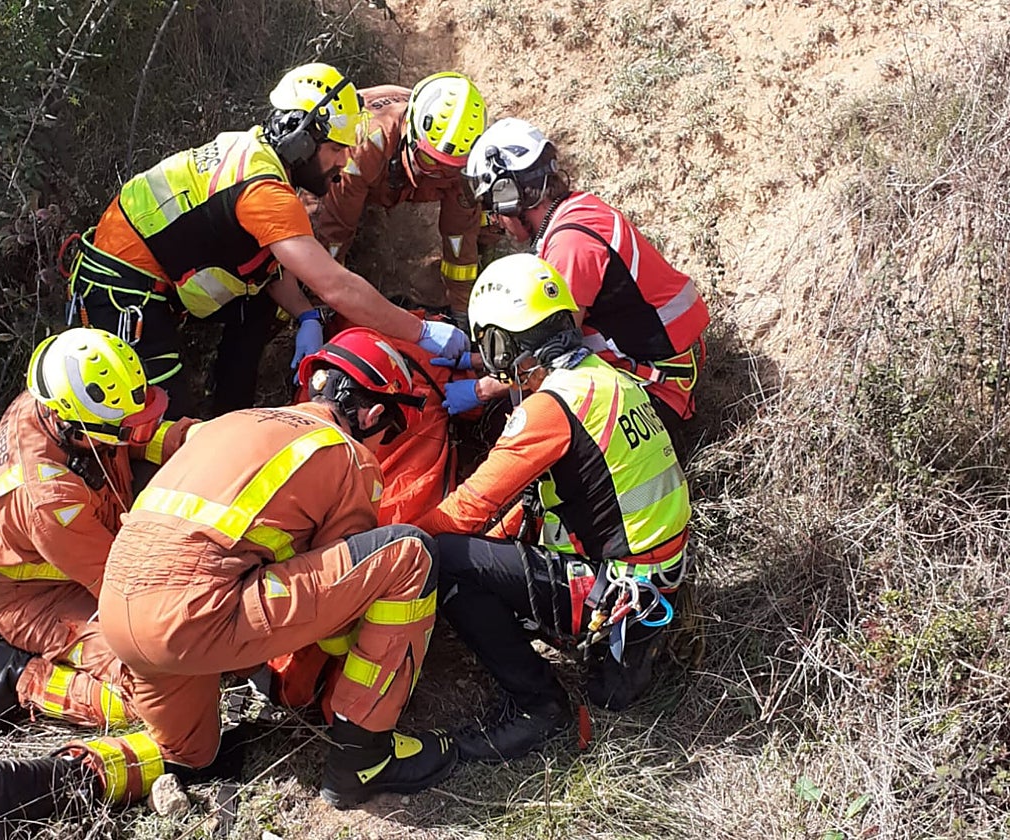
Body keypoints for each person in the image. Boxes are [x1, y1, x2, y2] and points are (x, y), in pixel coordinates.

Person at [0, 328, 456, 837]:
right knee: (408, 553)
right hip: (52, 594)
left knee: (194, 755)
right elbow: (338, 621)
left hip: (124, 596)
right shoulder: (46, 497)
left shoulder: (203, 422)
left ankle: (49, 782)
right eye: (389, 430)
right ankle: (365, 755)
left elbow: (149, 438)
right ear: (373, 416)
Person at [62, 62, 468, 418]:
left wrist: (305, 315)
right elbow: (337, 285)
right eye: (334, 149)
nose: (344, 161)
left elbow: (269, 265)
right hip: (121, 289)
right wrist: (421, 333)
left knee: (256, 305)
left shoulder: (251, 153)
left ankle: (229, 415)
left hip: (143, 273)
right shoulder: (265, 192)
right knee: (159, 419)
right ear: (302, 139)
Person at [417, 254, 692, 762]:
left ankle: (536, 709)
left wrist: (396, 544)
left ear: (503, 343)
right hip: (657, 579)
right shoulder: (608, 381)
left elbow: (468, 508)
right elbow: (564, 496)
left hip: (618, 592)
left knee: (447, 556)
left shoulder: (549, 407)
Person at [0, 327, 199, 732]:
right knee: (150, 697)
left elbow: (132, 435)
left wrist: (200, 439)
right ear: (77, 427)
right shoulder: (47, 499)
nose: (142, 430)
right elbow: (124, 594)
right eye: (133, 427)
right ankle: (19, 675)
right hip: (38, 598)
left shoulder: (58, 402)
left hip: (85, 544)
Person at [445, 117, 709, 427]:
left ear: (508, 195)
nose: (496, 220)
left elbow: (551, 353)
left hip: (659, 387)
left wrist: (482, 389)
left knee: (526, 422)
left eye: (493, 207)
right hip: (666, 360)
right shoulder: (576, 212)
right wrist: (479, 360)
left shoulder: (569, 246)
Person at [296, 72, 487, 328]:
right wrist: (319, 305)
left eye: (448, 167)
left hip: (394, 173)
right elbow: (334, 229)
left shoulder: (460, 169)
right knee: (320, 229)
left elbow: (459, 239)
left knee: (486, 222)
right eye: (430, 161)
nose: (437, 174)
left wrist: (462, 314)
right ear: (412, 135)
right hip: (355, 172)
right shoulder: (364, 146)